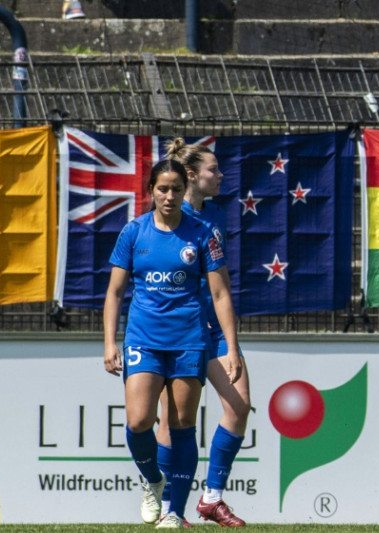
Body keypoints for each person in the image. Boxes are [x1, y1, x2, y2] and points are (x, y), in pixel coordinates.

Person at [103, 159, 241, 528]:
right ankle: (152, 481)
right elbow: (115, 293)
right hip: (143, 339)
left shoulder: (203, 233)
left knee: (181, 426)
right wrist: (109, 343)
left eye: (176, 189)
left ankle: (174, 513)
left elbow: (221, 292)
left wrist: (231, 346)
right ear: (151, 190)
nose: (169, 196)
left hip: (188, 341)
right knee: (139, 421)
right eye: (162, 189)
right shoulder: (133, 232)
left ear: (184, 191)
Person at [155, 138, 249, 528]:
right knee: (171, 421)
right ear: (191, 174)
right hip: (179, 332)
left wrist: (232, 341)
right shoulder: (165, 219)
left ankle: (211, 498)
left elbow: (220, 287)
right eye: (214, 169)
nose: (221, 174)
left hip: (215, 331)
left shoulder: (216, 217)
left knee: (239, 405)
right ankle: (166, 507)